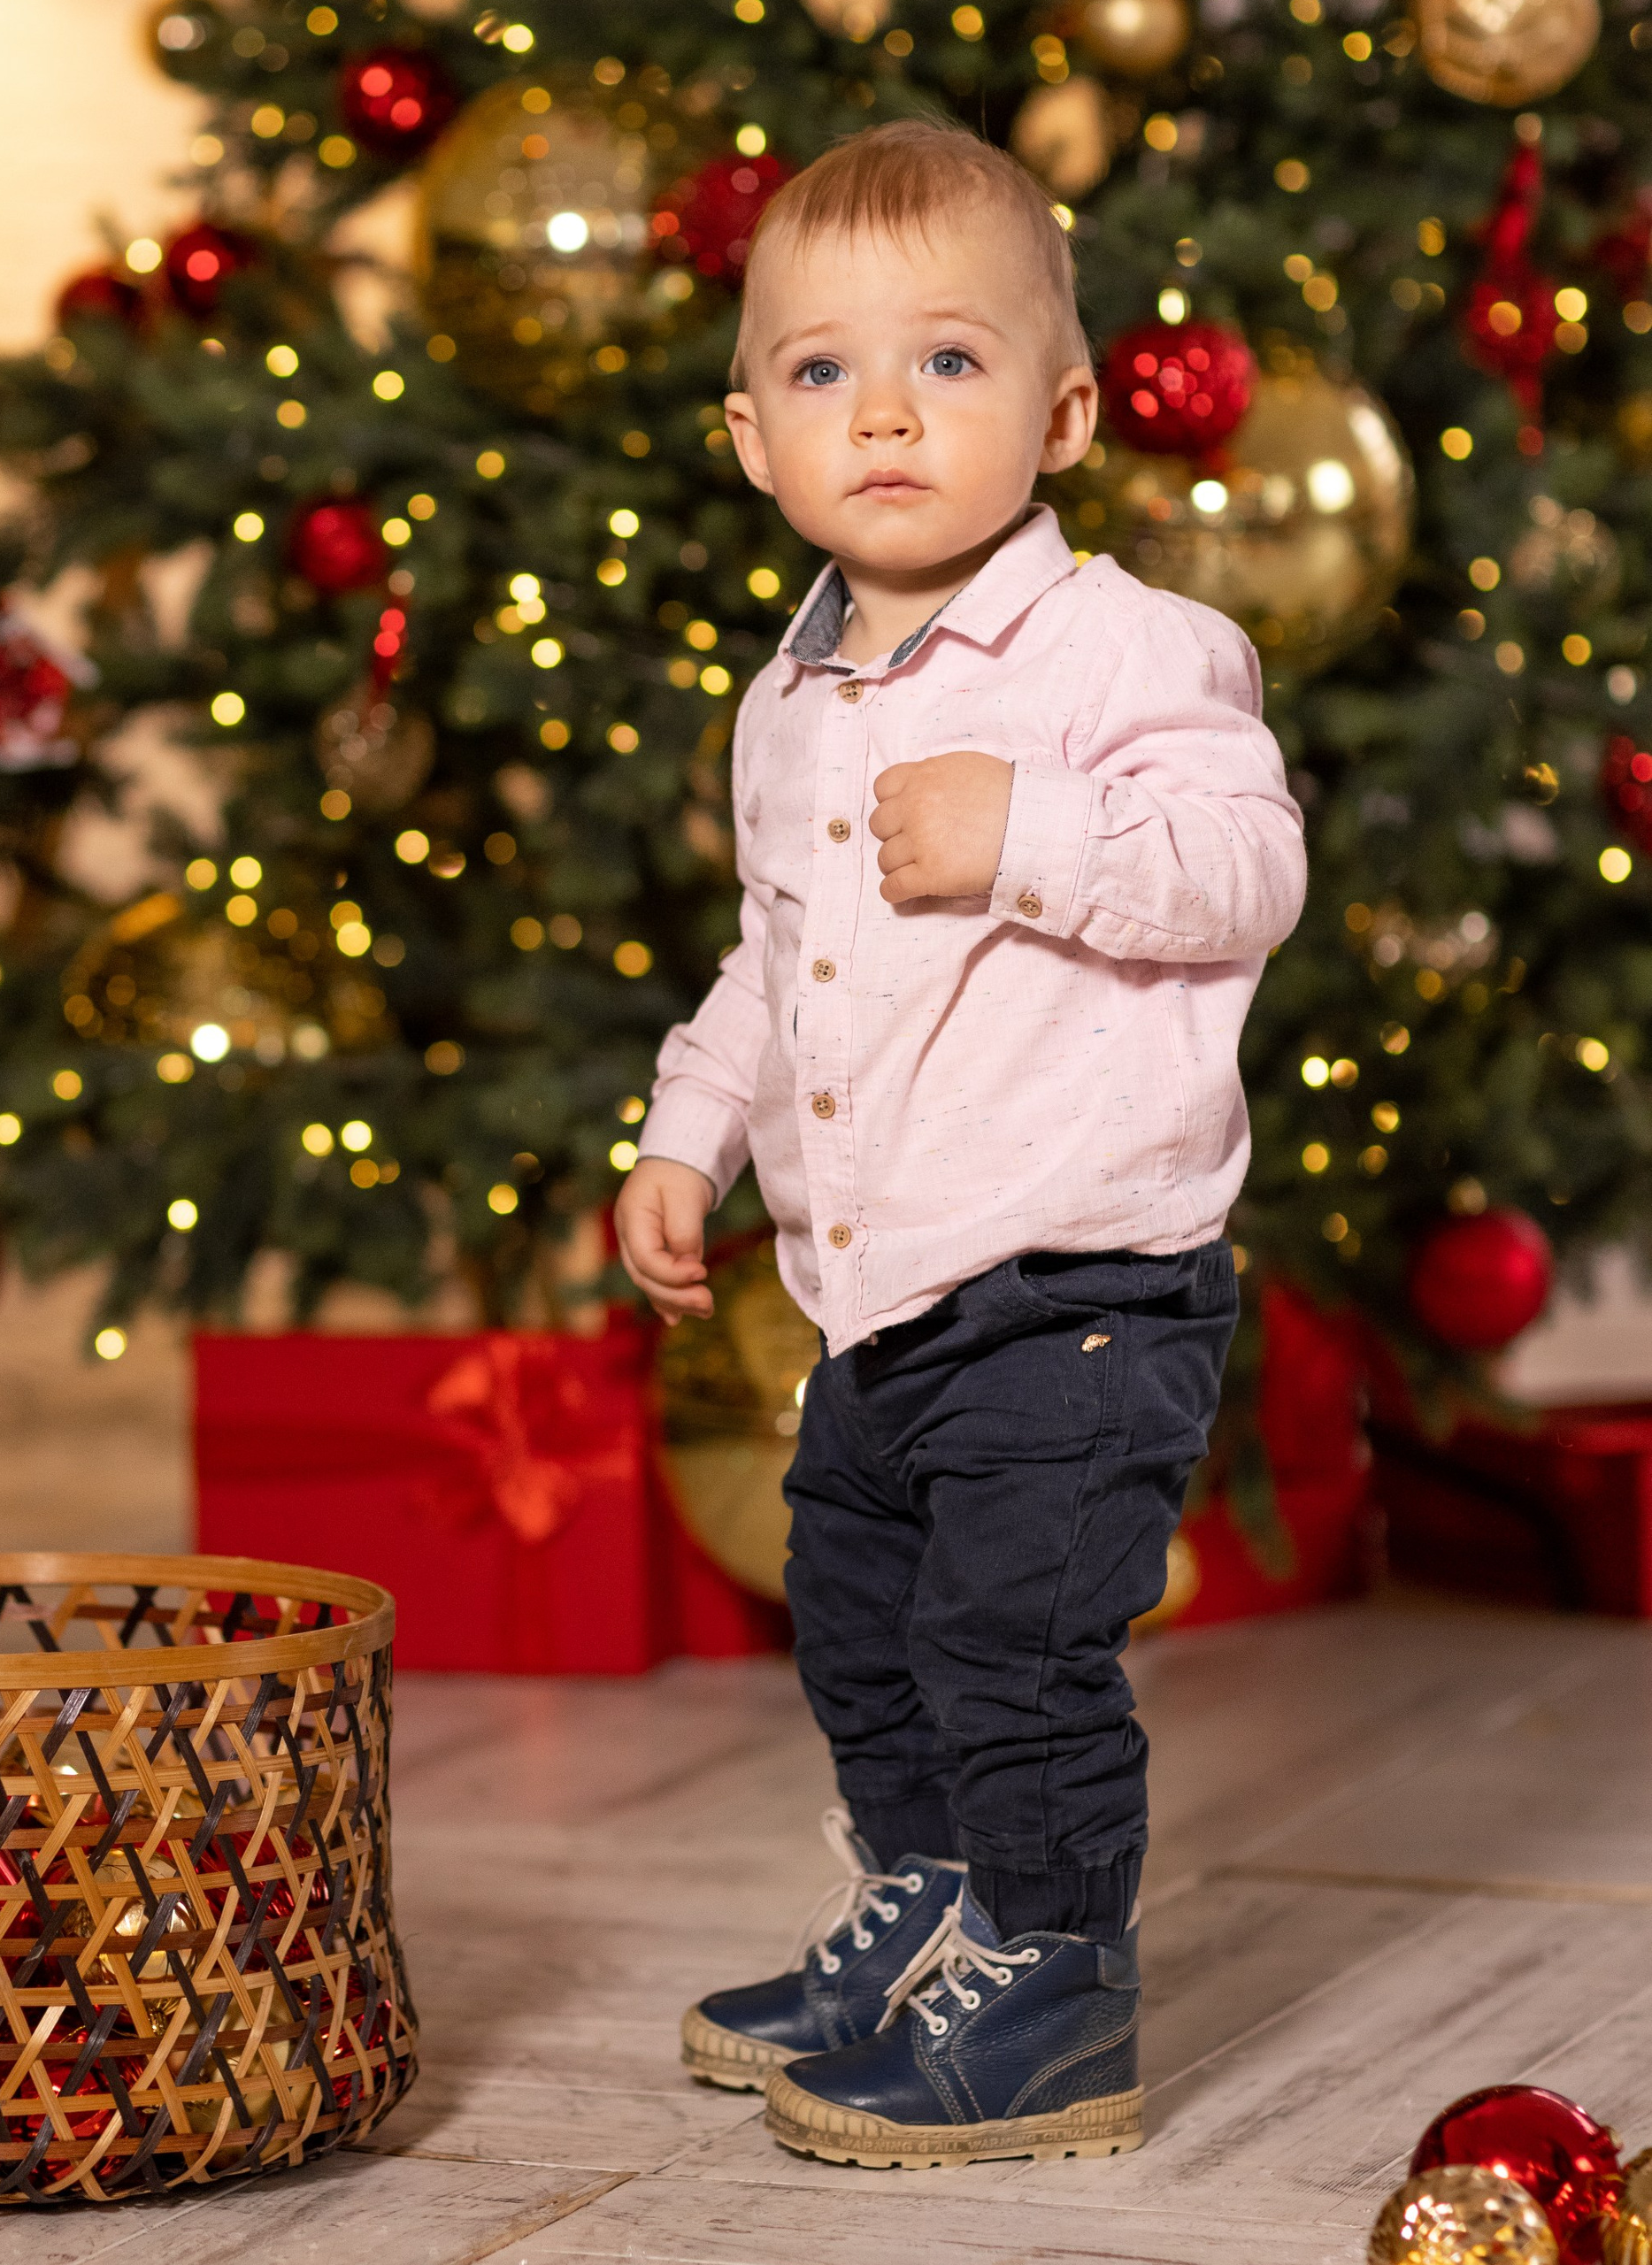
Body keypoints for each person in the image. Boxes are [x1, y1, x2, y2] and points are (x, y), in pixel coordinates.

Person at [613, 118, 1306, 2169]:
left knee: (1012, 1648)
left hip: (1077, 1282)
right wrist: (687, 1131)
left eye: (946, 359)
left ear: (1062, 412)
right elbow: (775, 960)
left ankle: (1056, 1983)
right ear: (751, 435)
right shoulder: (788, 703)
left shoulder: (1125, 650)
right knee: (860, 1627)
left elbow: (1244, 869)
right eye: (821, 370)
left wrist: (1032, 829)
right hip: (875, 1297)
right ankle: (928, 1913)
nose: (885, 413)